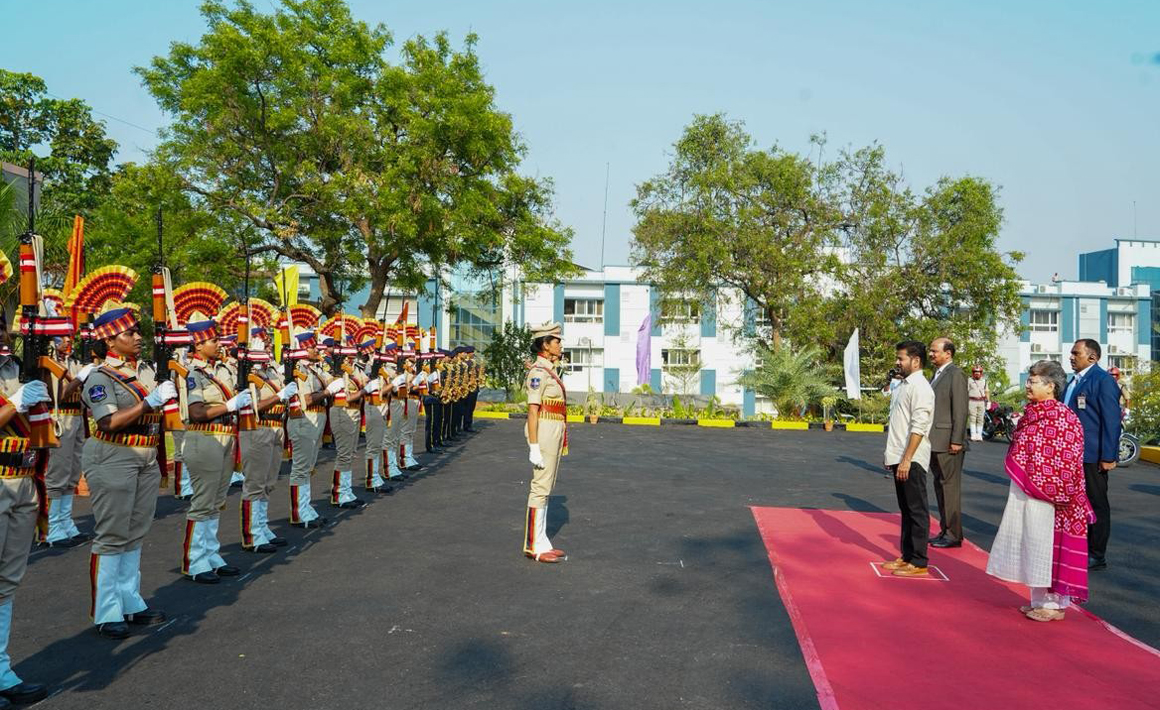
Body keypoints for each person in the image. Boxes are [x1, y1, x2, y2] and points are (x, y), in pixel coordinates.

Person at [80, 305, 173, 639]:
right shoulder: (100, 377)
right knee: (112, 533)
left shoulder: (144, 371)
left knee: (136, 530)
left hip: (146, 455)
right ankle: (106, 610)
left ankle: (130, 600)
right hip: (114, 454)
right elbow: (108, 421)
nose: (137, 337)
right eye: (129, 333)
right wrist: (149, 404)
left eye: (137, 331)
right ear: (110, 341)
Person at [986, 360, 1094, 621]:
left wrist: (1050, 485)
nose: (1027, 385)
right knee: (1032, 541)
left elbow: (1068, 458)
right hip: (1028, 489)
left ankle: (1054, 605)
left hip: (1052, 495)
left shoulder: (1062, 418)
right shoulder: (1033, 412)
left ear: (1050, 386)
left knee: (1048, 544)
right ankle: (1039, 600)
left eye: (1033, 381)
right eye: (1029, 380)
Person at [0, 325, 51, 703]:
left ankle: (1, 670)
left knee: (7, 581)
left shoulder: (12, 368)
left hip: (23, 478)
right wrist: (16, 403)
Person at [180, 316, 250, 583]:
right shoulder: (192, 374)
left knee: (216, 502)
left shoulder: (222, 369)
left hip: (225, 437)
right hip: (205, 437)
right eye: (213, 340)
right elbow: (197, 412)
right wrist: (229, 406)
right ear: (198, 345)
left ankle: (211, 554)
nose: (218, 343)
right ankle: (194, 561)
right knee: (202, 502)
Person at [1064, 339, 1121, 571]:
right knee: (1074, 504)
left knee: (1096, 503)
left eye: (1076, 353)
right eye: (1071, 353)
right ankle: (1077, 547)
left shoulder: (1103, 381)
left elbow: (1111, 420)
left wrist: (1108, 455)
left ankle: (1097, 554)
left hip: (1092, 455)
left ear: (1092, 357)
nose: (1071, 357)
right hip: (1072, 455)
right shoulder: (1074, 381)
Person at [238, 327, 296, 553]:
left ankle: (261, 527)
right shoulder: (246, 373)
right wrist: (280, 396)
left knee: (269, 483)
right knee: (255, 484)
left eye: (268, 342)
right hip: (258, 427)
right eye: (263, 342)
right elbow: (253, 407)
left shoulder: (271, 371)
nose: (269, 345)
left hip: (276, 427)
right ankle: (251, 533)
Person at [881, 340, 935, 577]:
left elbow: (919, 427)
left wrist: (906, 459)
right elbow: (898, 423)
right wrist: (892, 455)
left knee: (917, 509)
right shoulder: (902, 385)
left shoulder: (921, 387)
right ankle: (907, 556)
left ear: (916, 361)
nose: (897, 362)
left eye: (901, 358)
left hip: (911, 458)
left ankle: (919, 561)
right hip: (899, 455)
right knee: (905, 508)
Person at [523, 322, 569, 563]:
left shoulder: (548, 369)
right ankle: (533, 545)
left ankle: (542, 540)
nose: (560, 345)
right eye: (556, 341)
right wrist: (533, 446)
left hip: (554, 430)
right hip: (543, 431)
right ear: (545, 344)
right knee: (540, 487)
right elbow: (532, 411)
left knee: (547, 487)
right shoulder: (538, 373)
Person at [43, 335, 92, 547]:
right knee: (58, 473)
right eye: (61, 338)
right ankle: (52, 528)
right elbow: (58, 396)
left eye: (68, 336)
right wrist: (79, 379)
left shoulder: (72, 360)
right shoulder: (48, 362)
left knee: (72, 473)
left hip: (76, 418)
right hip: (60, 418)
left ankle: (66, 521)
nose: (67, 341)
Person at [286, 330, 338, 528]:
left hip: (316, 420)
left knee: (308, 468)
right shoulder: (299, 369)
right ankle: (298, 512)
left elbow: (331, 380)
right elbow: (306, 399)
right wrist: (326, 391)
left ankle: (305, 507)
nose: (317, 348)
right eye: (312, 346)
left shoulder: (314, 369)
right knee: (301, 468)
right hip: (304, 420)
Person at [927, 338, 968, 549]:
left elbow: (960, 410)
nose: (931, 354)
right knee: (941, 487)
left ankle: (953, 534)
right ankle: (945, 530)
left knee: (949, 489)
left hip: (949, 443)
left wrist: (956, 440)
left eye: (935, 351)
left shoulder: (956, 374)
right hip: (935, 442)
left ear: (948, 353)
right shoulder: (936, 375)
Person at [326, 335, 366, 510]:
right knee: (344, 454)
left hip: (354, 412)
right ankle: (339, 493)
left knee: (350, 454)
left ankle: (346, 491)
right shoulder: (335, 370)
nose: (354, 351)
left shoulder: (354, 368)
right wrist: (364, 390)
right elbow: (345, 397)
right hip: (343, 412)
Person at [967, 366, 990, 441]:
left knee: (980, 418)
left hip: (981, 401)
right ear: (973, 373)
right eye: (975, 372)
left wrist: (988, 401)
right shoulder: (969, 380)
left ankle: (979, 435)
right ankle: (973, 435)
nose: (977, 374)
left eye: (978, 372)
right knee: (972, 418)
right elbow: (966, 391)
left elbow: (986, 391)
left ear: (981, 373)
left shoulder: (984, 381)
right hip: (972, 401)